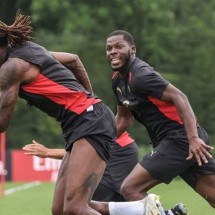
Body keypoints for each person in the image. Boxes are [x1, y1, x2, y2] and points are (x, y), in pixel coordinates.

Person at [0, 11, 170, 215]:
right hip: (81, 123)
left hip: (89, 121)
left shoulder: (12, 68)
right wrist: (89, 96)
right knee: (60, 209)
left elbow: (2, 124)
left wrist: (90, 101)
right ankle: (139, 209)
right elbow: (73, 60)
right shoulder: (28, 50)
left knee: (74, 208)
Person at [89, 30, 215, 215]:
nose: (112, 52)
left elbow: (180, 97)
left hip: (180, 139)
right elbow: (124, 118)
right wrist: (98, 143)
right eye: (109, 49)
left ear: (133, 50)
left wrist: (193, 139)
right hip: (180, 142)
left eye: (118, 47)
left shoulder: (141, 76)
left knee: (130, 188)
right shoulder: (118, 81)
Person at [23, 131, 139, 201]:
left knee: (86, 202)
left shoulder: (83, 115)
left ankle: (146, 206)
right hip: (122, 150)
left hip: (120, 152)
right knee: (117, 200)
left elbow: (84, 153)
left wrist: (48, 152)